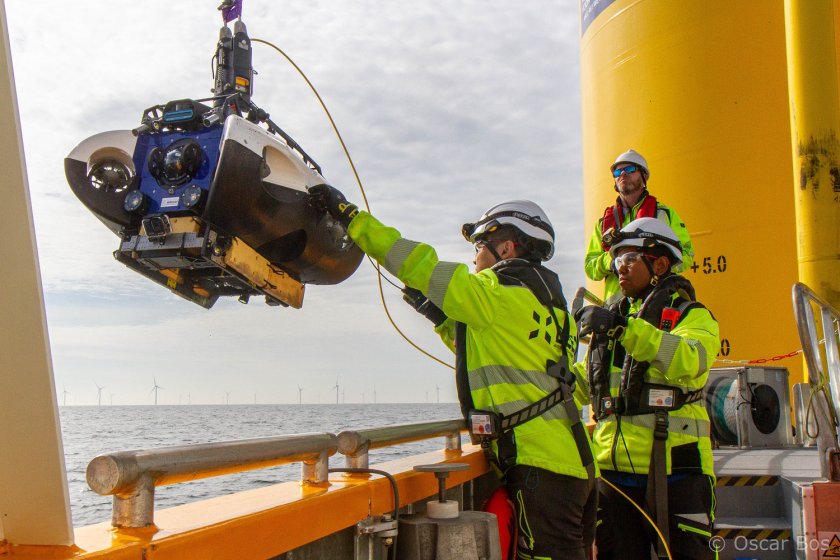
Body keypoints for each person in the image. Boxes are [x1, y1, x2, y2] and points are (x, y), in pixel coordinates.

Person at [308, 184, 598, 560]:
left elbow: (416, 262)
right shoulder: (552, 308)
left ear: (507, 248)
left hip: (540, 466)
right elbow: (493, 349)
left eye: (480, 246)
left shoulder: (494, 292)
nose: (475, 257)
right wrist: (439, 317)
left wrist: (351, 217)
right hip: (575, 460)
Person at [574, 217, 719, 560]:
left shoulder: (692, 317)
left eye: (628, 258)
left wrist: (624, 329)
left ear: (660, 263)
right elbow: (580, 384)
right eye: (615, 259)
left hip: (677, 471)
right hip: (613, 474)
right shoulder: (614, 323)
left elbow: (690, 358)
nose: (617, 267)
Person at [585, 149, 694, 306]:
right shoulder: (603, 224)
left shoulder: (664, 214)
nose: (622, 174)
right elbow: (590, 266)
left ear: (644, 176)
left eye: (630, 169)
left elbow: (687, 254)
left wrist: (655, 262)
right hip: (617, 310)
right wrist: (613, 260)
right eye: (617, 172)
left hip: (655, 303)